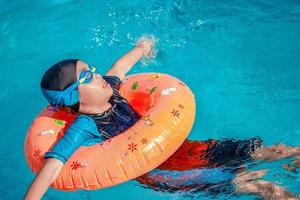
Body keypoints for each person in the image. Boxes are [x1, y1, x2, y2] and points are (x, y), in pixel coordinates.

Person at [24, 36, 156, 200]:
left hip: (157, 141)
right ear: (73, 98)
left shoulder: (110, 91)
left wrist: (142, 49)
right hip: (146, 167)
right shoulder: (85, 126)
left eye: (91, 70)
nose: (98, 75)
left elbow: (119, 68)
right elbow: (51, 168)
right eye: (87, 76)